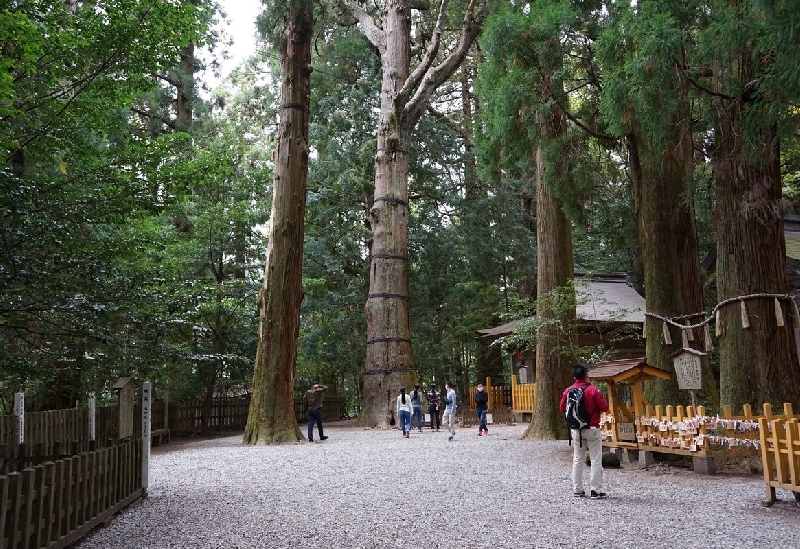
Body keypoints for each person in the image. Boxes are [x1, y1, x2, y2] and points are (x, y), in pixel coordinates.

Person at [558, 364, 609, 499]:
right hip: (592, 429)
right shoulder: (593, 390)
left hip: (577, 430)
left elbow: (562, 408)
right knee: (596, 459)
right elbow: (605, 407)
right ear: (586, 375)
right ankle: (595, 490)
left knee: (577, 460)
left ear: (574, 376)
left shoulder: (568, 391)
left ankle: (577, 489)